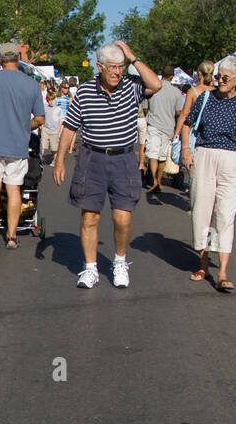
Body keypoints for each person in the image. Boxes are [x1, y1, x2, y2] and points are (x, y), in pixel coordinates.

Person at [52, 41, 162, 288]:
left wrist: (133, 57)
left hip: (123, 159)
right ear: (99, 67)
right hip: (92, 159)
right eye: (112, 67)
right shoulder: (84, 92)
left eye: (121, 67)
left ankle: (120, 262)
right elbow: (70, 128)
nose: (117, 72)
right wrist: (59, 161)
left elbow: (156, 84)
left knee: (122, 217)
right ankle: (90, 268)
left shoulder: (132, 86)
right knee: (89, 217)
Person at [181, 54, 236, 292]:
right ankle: (203, 262)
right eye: (217, 76)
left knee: (226, 215)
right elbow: (187, 123)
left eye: (225, 77)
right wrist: (186, 148)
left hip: (234, 161)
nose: (220, 80)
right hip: (205, 156)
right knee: (201, 210)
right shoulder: (206, 98)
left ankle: (223, 272)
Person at [0, 45, 45, 249]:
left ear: (0, 59)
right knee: (14, 190)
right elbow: (39, 119)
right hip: (17, 144)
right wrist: (24, 125)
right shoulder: (31, 84)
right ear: (19, 58)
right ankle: (11, 237)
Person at [141, 64, 186, 196]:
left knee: (153, 154)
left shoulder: (153, 88)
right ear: (172, 76)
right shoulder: (176, 92)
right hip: (168, 127)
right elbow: (178, 112)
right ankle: (159, 181)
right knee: (161, 156)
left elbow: (144, 108)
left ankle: (153, 180)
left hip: (153, 124)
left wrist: (151, 114)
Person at [175, 61, 217, 190]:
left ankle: (195, 196)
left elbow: (184, 114)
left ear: (199, 73)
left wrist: (177, 132)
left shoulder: (193, 92)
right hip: (212, 133)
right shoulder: (217, 93)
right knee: (211, 169)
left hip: (194, 132)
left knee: (194, 168)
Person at [41, 83, 64, 165]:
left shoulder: (58, 109)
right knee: (43, 146)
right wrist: (42, 126)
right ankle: (40, 159)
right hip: (46, 130)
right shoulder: (45, 107)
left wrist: (58, 129)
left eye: (53, 100)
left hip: (54, 130)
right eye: (50, 100)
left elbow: (61, 120)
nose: (51, 102)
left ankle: (54, 160)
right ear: (47, 100)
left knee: (54, 148)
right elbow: (42, 117)